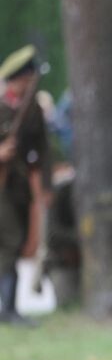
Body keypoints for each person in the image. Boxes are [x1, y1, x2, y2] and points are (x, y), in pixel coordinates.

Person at [0, 45, 51, 325]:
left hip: (19, 186)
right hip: (1, 186)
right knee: (10, 240)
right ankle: (7, 309)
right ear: (15, 80)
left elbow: (43, 149)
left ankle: (9, 307)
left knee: (18, 241)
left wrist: (47, 186)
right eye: (25, 80)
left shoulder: (31, 108)